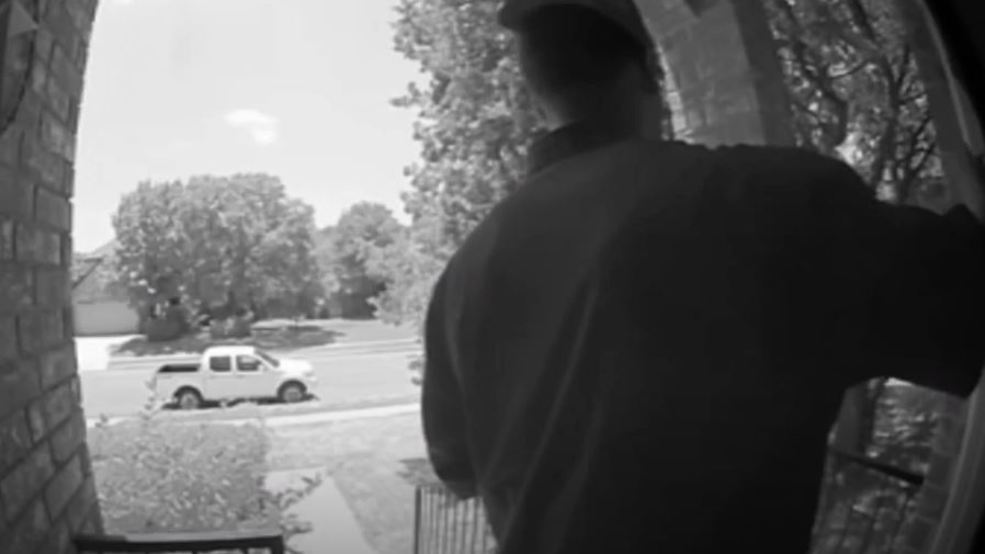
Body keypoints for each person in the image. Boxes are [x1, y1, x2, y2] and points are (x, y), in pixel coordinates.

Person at [421, 1, 985, 552]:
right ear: (647, 75)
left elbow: (458, 469)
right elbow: (965, 300)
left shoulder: (461, 278)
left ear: (533, 92)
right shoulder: (769, 203)